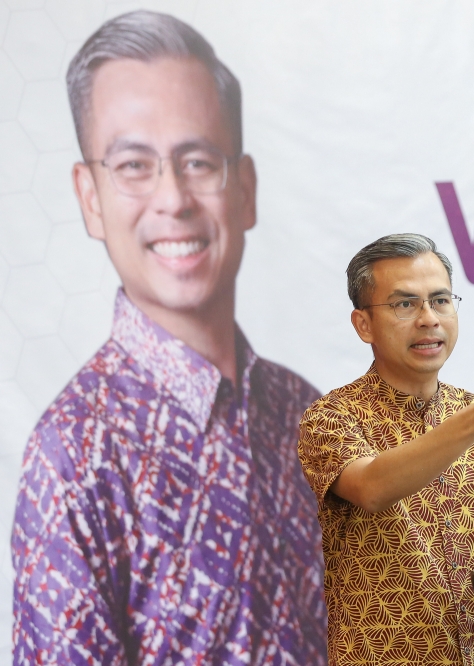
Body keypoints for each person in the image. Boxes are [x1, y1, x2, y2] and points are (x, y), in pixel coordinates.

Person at [11, 11, 327, 664]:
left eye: (198, 162)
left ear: (244, 190)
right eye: (133, 165)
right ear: (90, 197)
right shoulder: (72, 458)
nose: (173, 198)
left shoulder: (305, 414)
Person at [298, 233, 474, 665]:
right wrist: (473, 423)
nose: (429, 319)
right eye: (405, 305)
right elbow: (372, 486)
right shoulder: (331, 417)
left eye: (441, 300)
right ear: (363, 324)